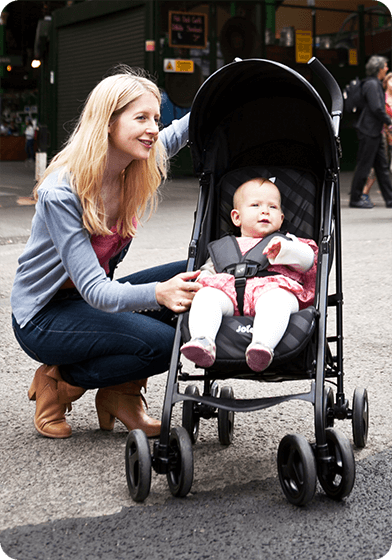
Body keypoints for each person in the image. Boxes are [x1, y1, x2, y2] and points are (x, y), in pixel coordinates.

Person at [11, 66, 202, 439]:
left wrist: (226, 86)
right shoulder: (61, 191)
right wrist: (158, 292)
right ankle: (59, 380)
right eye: (141, 118)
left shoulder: (134, 163)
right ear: (109, 123)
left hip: (87, 301)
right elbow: (98, 291)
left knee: (198, 274)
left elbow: (182, 132)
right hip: (44, 314)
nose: (153, 128)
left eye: (156, 118)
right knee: (162, 344)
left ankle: (121, 394)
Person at [180, 178, 317, 372]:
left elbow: (308, 261)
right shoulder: (224, 247)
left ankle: (262, 346)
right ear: (237, 217)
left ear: (281, 218)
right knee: (206, 296)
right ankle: (203, 340)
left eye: (273, 206)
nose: (265, 211)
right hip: (230, 295)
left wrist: (286, 250)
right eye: (255, 205)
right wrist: (200, 282)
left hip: (271, 290)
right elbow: (208, 271)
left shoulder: (287, 242)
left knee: (277, 301)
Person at [350, 55, 392, 209]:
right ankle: (355, 198)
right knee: (364, 165)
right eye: (385, 66)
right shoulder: (372, 84)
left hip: (374, 131)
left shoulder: (374, 84)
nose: (387, 68)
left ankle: (390, 198)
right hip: (369, 130)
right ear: (379, 68)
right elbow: (376, 108)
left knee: (382, 167)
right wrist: (389, 121)